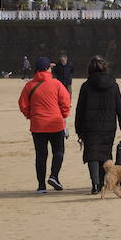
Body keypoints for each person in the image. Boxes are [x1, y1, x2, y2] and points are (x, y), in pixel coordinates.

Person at [75, 55, 121, 194]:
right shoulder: (113, 85)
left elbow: (79, 109)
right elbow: (120, 107)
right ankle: (104, 182)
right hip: (108, 125)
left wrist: (78, 128)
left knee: (92, 153)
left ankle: (95, 184)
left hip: (89, 125)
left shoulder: (86, 86)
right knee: (105, 152)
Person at [18, 56, 71, 193]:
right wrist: (63, 115)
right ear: (48, 68)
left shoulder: (29, 85)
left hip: (37, 125)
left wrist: (30, 115)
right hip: (55, 123)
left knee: (41, 155)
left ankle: (41, 186)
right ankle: (54, 176)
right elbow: (65, 102)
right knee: (58, 151)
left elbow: (23, 104)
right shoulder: (57, 84)